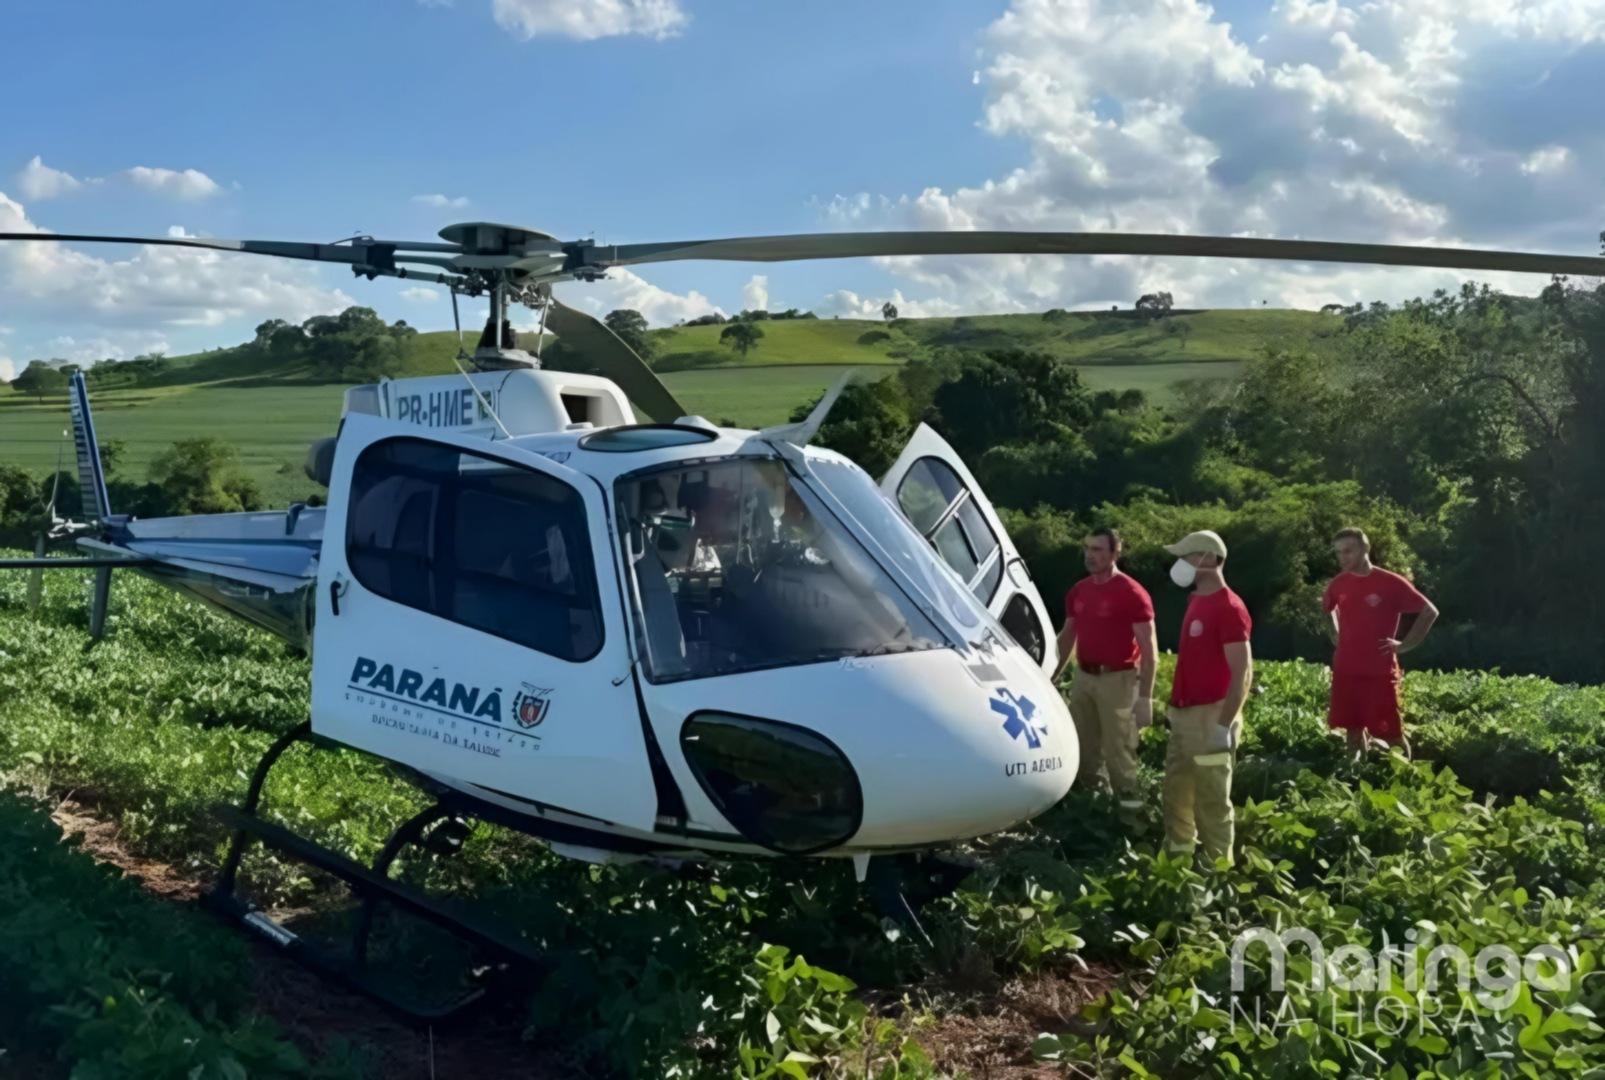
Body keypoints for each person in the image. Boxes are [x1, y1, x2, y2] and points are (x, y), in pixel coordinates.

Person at [1160, 530, 1252, 867]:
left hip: (1212, 715)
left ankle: (1218, 871)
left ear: (1209, 559)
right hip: (1185, 716)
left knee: (1211, 800)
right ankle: (1178, 861)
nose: (1180, 564)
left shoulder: (1229, 607)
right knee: (1176, 793)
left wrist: (1223, 725)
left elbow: (1242, 671)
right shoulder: (1196, 600)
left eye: (1187, 557)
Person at [1052, 528, 1156, 808]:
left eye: (1098, 549)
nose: (1090, 555)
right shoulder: (1079, 591)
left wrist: (1145, 697)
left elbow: (1149, 651)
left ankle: (1130, 815)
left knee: (1118, 752)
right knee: (1084, 749)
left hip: (1119, 680)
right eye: (1087, 548)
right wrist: (1051, 676)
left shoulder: (1133, 593)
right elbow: (1067, 636)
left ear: (1115, 553)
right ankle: (1095, 809)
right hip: (1084, 677)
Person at [1323, 527, 1438, 757]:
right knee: (1353, 732)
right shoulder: (1338, 584)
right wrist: (1335, 634)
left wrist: (1404, 645)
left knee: (1392, 735)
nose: (1342, 557)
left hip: (1379, 671)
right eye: (1338, 553)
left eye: (1348, 551)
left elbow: (1429, 611)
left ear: (1365, 549)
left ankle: (1406, 782)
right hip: (1346, 669)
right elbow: (1326, 609)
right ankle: (1357, 782)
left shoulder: (1390, 583)